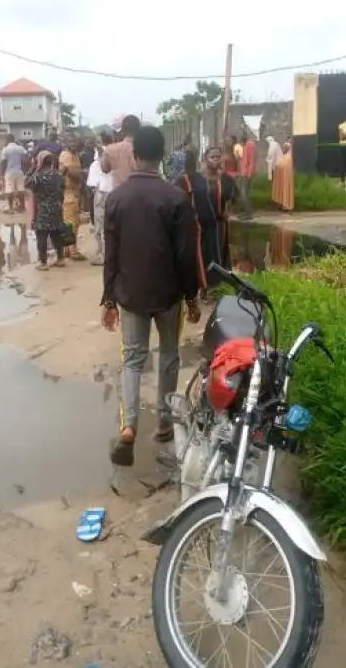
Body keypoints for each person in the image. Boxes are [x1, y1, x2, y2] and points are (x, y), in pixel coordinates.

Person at [102, 125, 200, 467]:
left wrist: (108, 298)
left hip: (129, 293)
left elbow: (110, 254)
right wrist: (191, 296)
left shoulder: (116, 199)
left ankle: (129, 426)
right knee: (169, 355)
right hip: (168, 293)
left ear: (134, 154)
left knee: (132, 359)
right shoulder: (175, 198)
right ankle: (163, 422)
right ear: (162, 156)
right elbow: (185, 254)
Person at [176, 146, 237, 301]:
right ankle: (201, 289)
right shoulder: (194, 179)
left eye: (218, 156)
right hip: (199, 227)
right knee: (201, 256)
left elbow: (232, 199)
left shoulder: (226, 179)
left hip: (218, 226)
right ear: (205, 158)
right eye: (212, 157)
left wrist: (227, 213)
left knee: (218, 257)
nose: (216, 159)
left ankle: (216, 290)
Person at [25, 150, 66, 271]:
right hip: (56, 208)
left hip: (42, 209)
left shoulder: (37, 176)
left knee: (42, 236)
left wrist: (31, 169)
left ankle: (43, 263)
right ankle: (60, 259)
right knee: (56, 235)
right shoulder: (58, 175)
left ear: (40, 161)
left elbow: (26, 183)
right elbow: (62, 189)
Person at [87, 132, 113, 265]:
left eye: (98, 142)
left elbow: (92, 185)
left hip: (101, 194)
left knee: (100, 227)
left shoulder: (97, 163)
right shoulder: (116, 156)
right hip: (113, 193)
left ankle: (102, 254)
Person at [59, 134, 86, 260]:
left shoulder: (75, 155)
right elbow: (71, 173)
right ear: (66, 143)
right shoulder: (66, 155)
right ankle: (72, 249)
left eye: (75, 141)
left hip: (75, 192)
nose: (74, 143)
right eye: (71, 141)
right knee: (70, 222)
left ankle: (67, 250)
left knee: (72, 221)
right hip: (68, 192)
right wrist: (83, 173)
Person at [100, 114, 141, 188]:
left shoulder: (110, 149)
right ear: (139, 130)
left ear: (123, 131)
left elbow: (105, 169)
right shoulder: (145, 149)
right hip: (139, 194)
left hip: (118, 194)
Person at [0, 134, 28, 212]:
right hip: (19, 171)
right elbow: (27, 157)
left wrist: (1, 174)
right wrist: (25, 168)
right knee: (21, 188)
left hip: (9, 172)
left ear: (7, 139)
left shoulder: (5, 149)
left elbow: (3, 162)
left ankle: (10, 207)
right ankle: (22, 206)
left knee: (9, 189)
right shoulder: (20, 148)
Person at [234, 130, 257, 219]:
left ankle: (248, 214)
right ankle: (245, 212)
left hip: (247, 173)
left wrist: (249, 173)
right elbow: (245, 159)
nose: (240, 138)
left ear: (245, 136)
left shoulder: (250, 145)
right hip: (244, 172)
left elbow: (252, 160)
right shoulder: (245, 145)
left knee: (245, 194)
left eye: (242, 136)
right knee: (243, 193)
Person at [271, 137, 295, 213]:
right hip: (282, 177)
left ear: (288, 148)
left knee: (286, 190)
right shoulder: (284, 156)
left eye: (284, 148)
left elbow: (283, 165)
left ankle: (287, 206)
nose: (283, 149)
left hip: (286, 178)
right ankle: (282, 204)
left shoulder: (288, 156)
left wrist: (277, 164)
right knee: (282, 190)